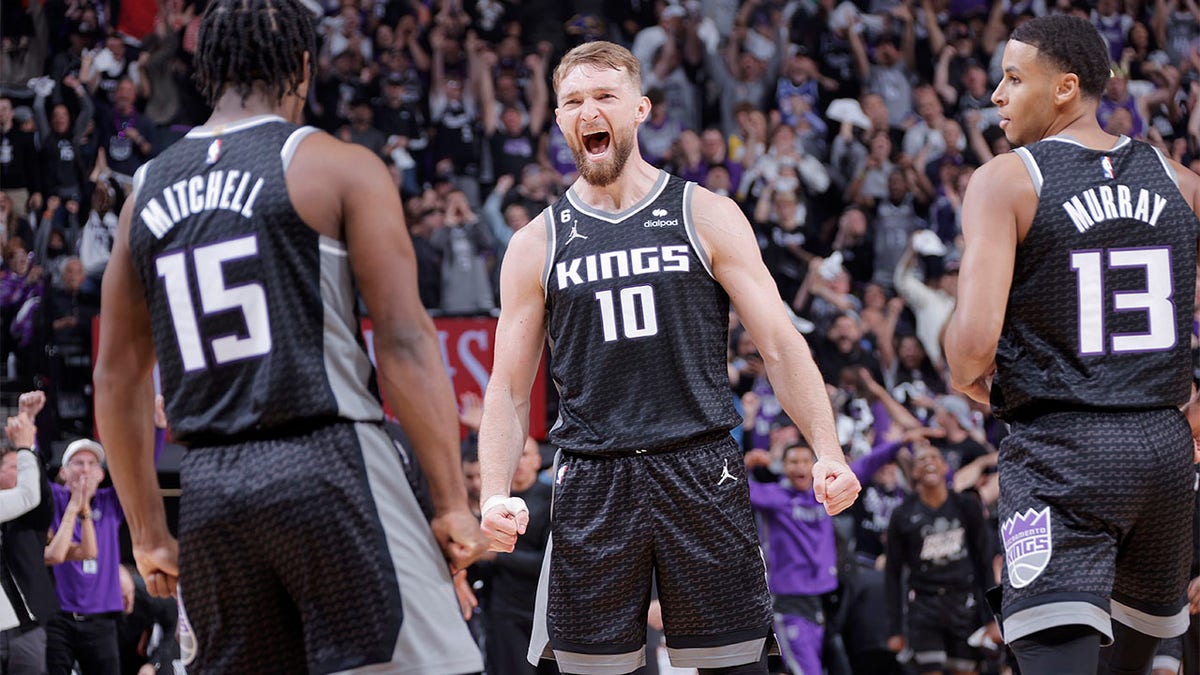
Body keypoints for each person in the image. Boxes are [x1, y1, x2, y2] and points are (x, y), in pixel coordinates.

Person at [92, 2, 486, 673]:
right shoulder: (335, 165)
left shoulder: (145, 192)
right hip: (327, 460)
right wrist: (450, 501)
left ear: (206, 70)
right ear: (304, 68)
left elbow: (117, 375)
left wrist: (149, 530)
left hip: (213, 488)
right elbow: (406, 340)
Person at [477, 41, 861, 675]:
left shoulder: (704, 212)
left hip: (700, 467)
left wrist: (827, 449)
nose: (588, 110)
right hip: (593, 478)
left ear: (640, 110)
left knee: (734, 668)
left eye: (604, 96)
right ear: (557, 119)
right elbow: (509, 387)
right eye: (573, 101)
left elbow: (780, 344)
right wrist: (494, 493)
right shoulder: (534, 242)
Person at [943, 14, 1200, 675]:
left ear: (1064, 87)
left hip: (1065, 448)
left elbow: (971, 346)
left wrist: (972, 376)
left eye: (1012, 77)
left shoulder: (1007, 178)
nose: (997, 94)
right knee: (1145, 661)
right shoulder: (1180, 183)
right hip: (1166, 452)